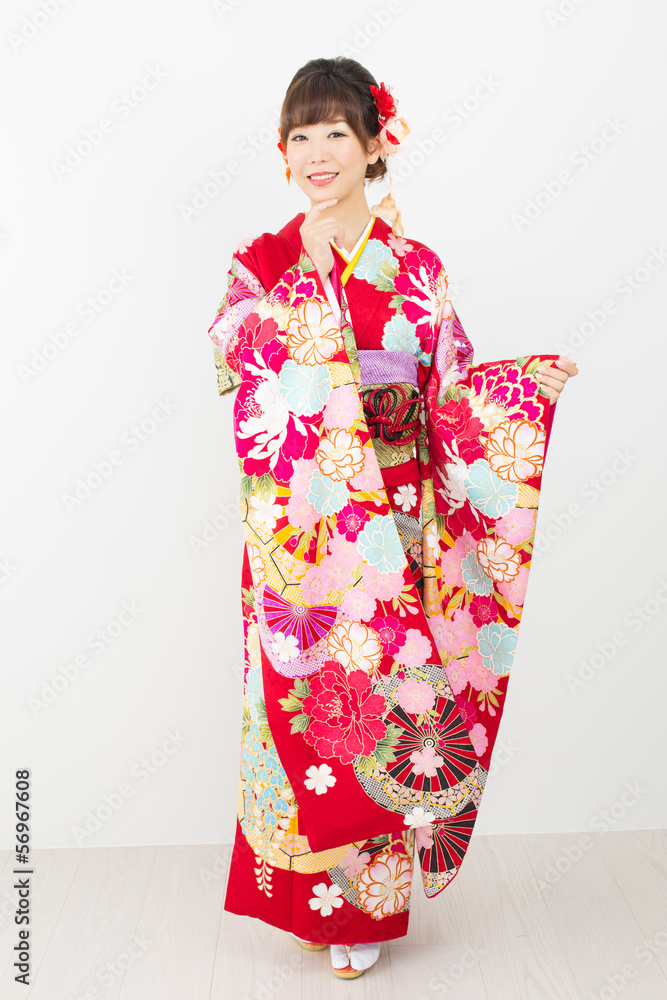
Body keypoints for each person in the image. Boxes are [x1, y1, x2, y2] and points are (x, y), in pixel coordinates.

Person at [207, 56, 577, 981]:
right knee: (303, 701)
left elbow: (451, 390)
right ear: (282, 152)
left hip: (401, 521)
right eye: (300, 135)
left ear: (376, 144)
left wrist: (519, 393)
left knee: (390, 697)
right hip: (308, 533)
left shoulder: (417, 269)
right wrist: (299, 308)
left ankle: (363, 909)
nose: (316, 151)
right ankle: (308, 890)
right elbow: (232, 364)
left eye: (336, 131)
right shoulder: (263, 263)